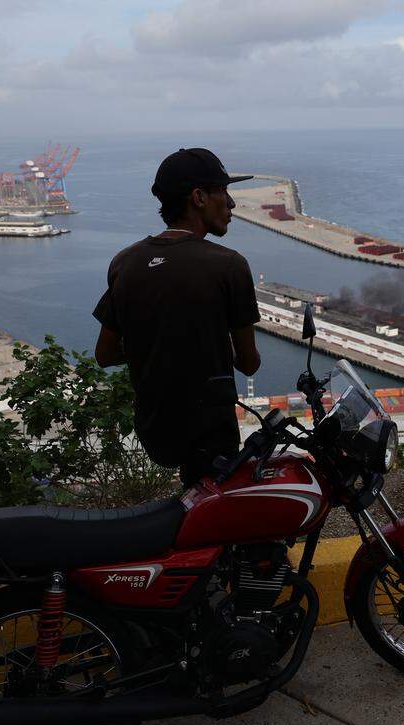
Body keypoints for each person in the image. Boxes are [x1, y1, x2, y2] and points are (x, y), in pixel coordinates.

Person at [93, 148, 261, 486]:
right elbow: (249, 363)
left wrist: (155, 344)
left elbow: (105, 355)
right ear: (199, 197)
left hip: (156, 432)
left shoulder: (124, 262)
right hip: (212, 439)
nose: (231, 204)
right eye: (223, 192)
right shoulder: (229, 265)